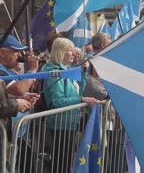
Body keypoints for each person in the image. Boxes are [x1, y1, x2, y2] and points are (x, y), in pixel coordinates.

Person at [41, 37, 98, 172]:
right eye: (70, 51)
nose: (73, 54)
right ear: (61, 52)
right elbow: (57, 101)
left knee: (66, 162)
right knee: (61, 163)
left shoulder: (67, 71)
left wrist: (84, 74)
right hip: (60, 124)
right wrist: (81, 100)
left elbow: (78, 92)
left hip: (69, 123)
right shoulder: (55, 73)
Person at [0, 34, 40, 140]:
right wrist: (33, 69)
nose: (19, 55)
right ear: (2, 52)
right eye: (15, 51)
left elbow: (6, 95)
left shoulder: (8, 69)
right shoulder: (1, 70)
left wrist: (23, 98)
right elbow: (19, 89)